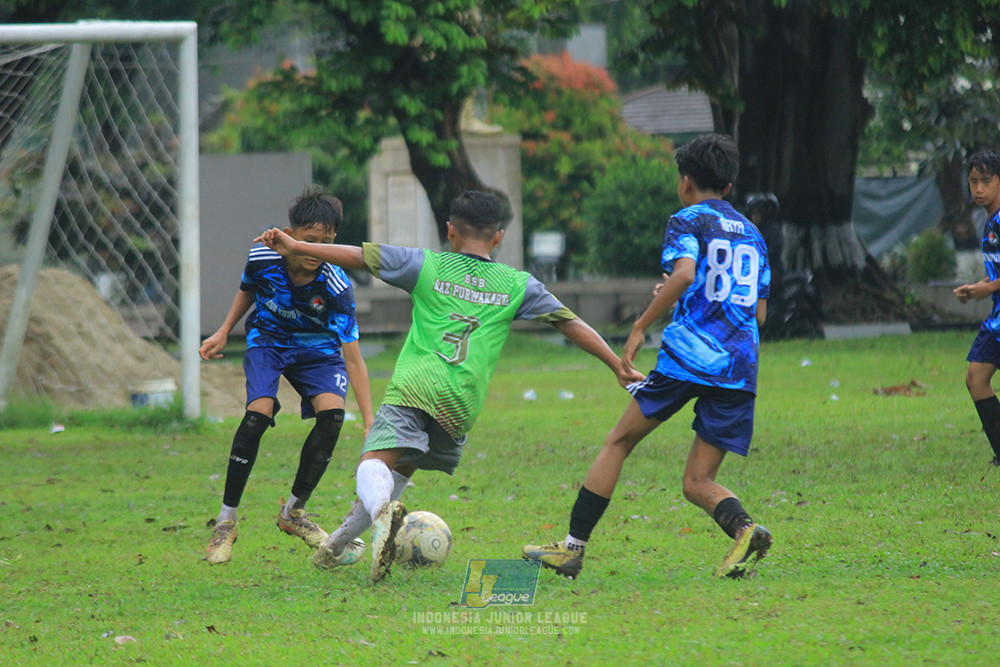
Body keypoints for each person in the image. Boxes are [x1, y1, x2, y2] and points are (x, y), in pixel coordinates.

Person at [255, 190, 642, 582]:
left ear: (450, 231)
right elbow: (570, 323)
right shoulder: (517, 284)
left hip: (415, 387)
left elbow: (358, 256)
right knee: (403, 466)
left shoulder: (426, 264)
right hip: (460, 403)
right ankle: (335, 545)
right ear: (498, 237)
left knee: (374, 464)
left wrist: (295, 244)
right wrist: (615, 364)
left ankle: (381, 515)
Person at [522, 133, 773, 579]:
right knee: (698, 482)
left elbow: (685, 274)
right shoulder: (754, 235)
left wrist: (640, 327)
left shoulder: (687, 218)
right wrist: (693, 301)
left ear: (685, 181)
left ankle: (572, 549)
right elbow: (757, 311)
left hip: (689, 359)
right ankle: (745, 529)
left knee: (619, 442)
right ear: (730, 187)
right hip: (739, 366)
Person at [201, 185, 374, 565]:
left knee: (331, 417)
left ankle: (293, 513)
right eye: (310, 240)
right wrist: (223, 330)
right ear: (291, 233)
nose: (316, 250)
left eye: (325, 243)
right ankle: (226, 522)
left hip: (318, 351)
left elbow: (355, 360)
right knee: (256, 416)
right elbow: (247, 290)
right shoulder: (263, 255)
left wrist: (369, 420)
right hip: (269, 341)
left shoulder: (336, 284)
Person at [954, 148, 1000, 466]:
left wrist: (985, 288)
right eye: (974, 182)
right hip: (997, 318)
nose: (979, 189)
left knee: (977, 376)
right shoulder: (990, 221)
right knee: (976, 377)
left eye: (986, 181)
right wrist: (981, 286)